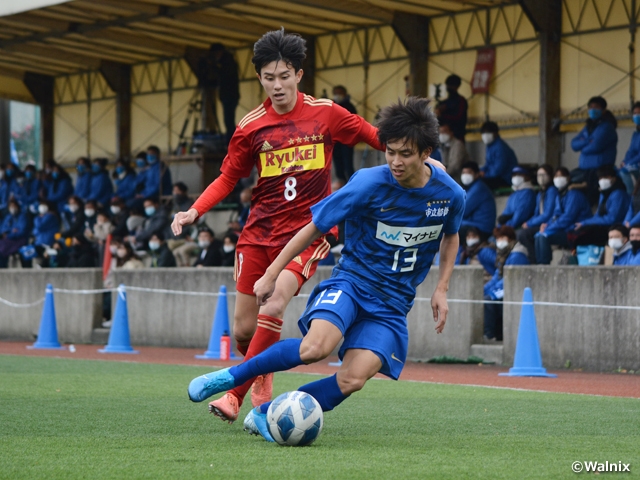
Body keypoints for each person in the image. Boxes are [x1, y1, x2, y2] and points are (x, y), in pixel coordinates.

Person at [187, 97, 464, 440]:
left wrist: (442, 288)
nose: (395, 161)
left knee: (353, 379)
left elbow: (451, 236)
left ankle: (265, 414)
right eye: (390, 151)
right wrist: (272, 273)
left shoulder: (450, 194)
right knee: (314, 348)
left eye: (405, 154)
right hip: (352, 283)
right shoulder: (368, 183)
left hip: (393, 304)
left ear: (427, 153)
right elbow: (314, 226)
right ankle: (231, 378)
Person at [172, 29, 406, 424]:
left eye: (284, 76)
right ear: (260, 79)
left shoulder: (327, 113)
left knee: (276, 301)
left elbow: (376, 137)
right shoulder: (250, 126)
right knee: (244, 330)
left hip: (309, 232)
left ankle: (233, 394)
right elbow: (228, 177)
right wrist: (194, 210)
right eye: (268, 77)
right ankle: (261, 372)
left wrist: (421, 158)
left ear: (299, 74)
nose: (277, 85)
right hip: (258, 233)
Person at [535, 167, 592, 265]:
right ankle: (540, 263)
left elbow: (568, 218)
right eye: (556, 176)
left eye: (561, 176)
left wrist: (550, 227)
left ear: (568, 178)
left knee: (544, 236)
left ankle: (544, 264)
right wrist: (546, 225)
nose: (558, 178)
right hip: (564, 229)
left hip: (575, 230)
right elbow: (556, 215)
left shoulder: (574, 194)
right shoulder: (560, 195)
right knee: (538, 235)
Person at [483, 226, 529, 342]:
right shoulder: (504, 254)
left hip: (514, 288)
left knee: (489, 299)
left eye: (502, 237)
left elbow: (509, 279)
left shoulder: (518, 254)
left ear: (509, 238)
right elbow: (497, 276)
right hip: (504, 287)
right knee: (484, 296)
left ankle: (489, 334)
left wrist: (491, 292)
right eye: (498, 238)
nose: (499, 241)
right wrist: (483, 289)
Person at [571, 96, 618, 205]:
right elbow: (573, 144)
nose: (592, 110)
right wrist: (588, 141)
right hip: (586, 170)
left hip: (600, 170)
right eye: (590, 107)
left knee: (594, 198)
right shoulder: (588, 127)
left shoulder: (607, 127)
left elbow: (596, 145)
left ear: (603, 110)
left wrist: (582, 146)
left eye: (596, 107)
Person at [573, 164, 630, 247]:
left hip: (615, 227)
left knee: (583, 238)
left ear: (614, 178)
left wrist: (586, 222)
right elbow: (598, 215)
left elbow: (611, 219)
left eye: (606, 177)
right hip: (604, 225)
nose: (602, 180)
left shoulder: (619, 194)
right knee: (576, 232)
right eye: (600, 178)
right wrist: (584, 223)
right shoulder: (604, 193)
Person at [515, 164, 559, 263]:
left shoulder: (552, 191)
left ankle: (534, 259)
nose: (541, 178)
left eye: (544, 175)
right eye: (539, 175)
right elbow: (536, 213)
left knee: (523, 234)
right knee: (520, 232)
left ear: (550, 176)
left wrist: (530, 224)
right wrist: (527, 223)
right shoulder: (540, 193)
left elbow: (547, 214)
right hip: (540, 223)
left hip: (548, 223)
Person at [210, 43, 241, 144]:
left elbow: (224, 77)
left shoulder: (227, 63)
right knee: (229, 121)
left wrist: (214, 67)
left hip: (229, 96)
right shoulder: (228, 62)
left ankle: (231, 142)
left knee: (228, 121)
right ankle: (231, 142)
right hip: (229, 96)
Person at [458, 161, 496, 242]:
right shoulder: (471, 187)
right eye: (464, 172)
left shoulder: (479, 188)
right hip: (472, 224)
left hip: (482, 228)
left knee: (450, 232)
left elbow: (462, 211)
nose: (465, 175)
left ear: (477, 174)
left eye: (469, 172)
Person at [479, 121, 518, 190]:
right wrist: (480, 172)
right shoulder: (490, 146)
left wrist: (485, 174)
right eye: (483, 133)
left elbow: (498, 169)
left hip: (505, 179)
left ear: (496, 133)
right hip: (496, 176)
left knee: (479, 183)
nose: (485, 135)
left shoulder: (500, 147)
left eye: (488, 132)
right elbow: (488, 164)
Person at [331, 85, 358, 182]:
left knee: (348, 164)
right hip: (335, 140)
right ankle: (341, 182)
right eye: (335, 93)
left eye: (339, 93)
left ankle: (352, 184)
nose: (337, 95)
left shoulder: (350, 107)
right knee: (337, 164)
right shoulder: (331, 106)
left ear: (344, 94)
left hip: (347, 141)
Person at [436, 74, 468, 141]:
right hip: (443, 136)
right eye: (448, 85)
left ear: (457, 86)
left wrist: (443, 114)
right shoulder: (443, 103)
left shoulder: (461, 101)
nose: (449, 87)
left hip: (457, 135)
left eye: (452, 85)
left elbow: (459, 118)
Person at [0, 199, 29, 268]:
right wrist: (11, 230)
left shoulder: (22, 217)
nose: (12, 208)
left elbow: (21, 231)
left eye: (14, 205)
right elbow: (3, 229)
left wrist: (9, 234)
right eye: (11, 206)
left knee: (3, 248)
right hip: (8, 239)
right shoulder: (8, 217)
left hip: (19, 240)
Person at [619, 102, 640, 194]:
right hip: (636, 164)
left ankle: (631, 196)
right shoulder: (636, 134)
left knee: (624, 172)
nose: (637, 116)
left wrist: (628, 163)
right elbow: (631, 151)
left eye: (639, 113)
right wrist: (624, 161)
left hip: (637, 164)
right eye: (635, 113)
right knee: (619, 171)